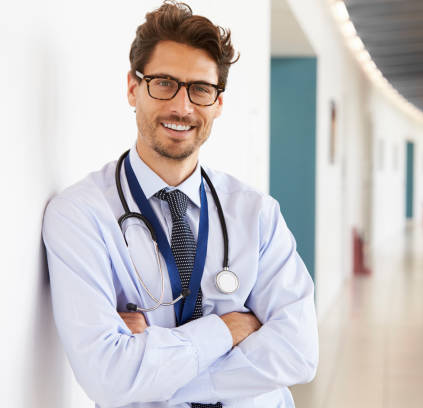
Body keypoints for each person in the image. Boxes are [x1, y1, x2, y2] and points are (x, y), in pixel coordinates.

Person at [42, 2, 318, 407]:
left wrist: (155, 368)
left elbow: (299, 351)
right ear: (133, 88)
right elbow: (108, 377)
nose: (182, 106)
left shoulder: (256, 213)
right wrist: (229, 330)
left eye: (200, 89)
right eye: (164, 83)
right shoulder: (80, 216)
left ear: (218, 103)